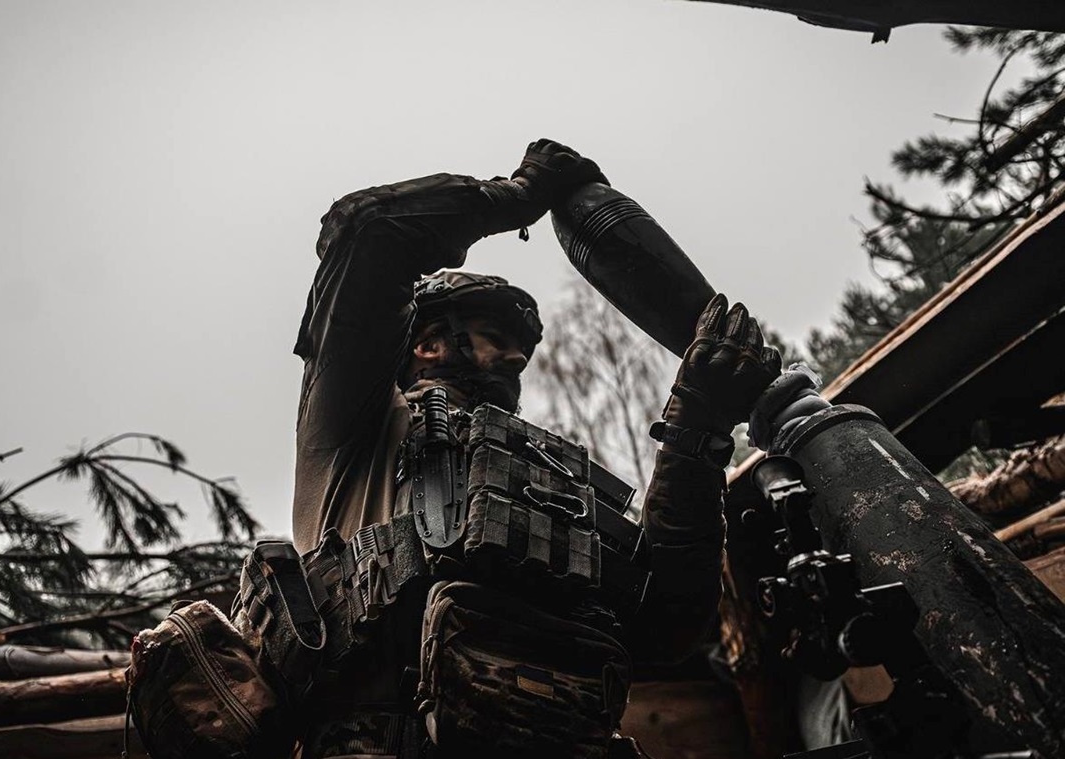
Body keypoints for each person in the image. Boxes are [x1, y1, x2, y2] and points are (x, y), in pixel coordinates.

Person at [276, 139, 781, 759]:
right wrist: (517, 197)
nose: (519, 357)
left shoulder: (547, 483)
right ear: (427, 344)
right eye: (495, 335)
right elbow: (369, 230)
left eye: (522, 347)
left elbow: (666, 623)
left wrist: (694, 434)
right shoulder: (353, 427)